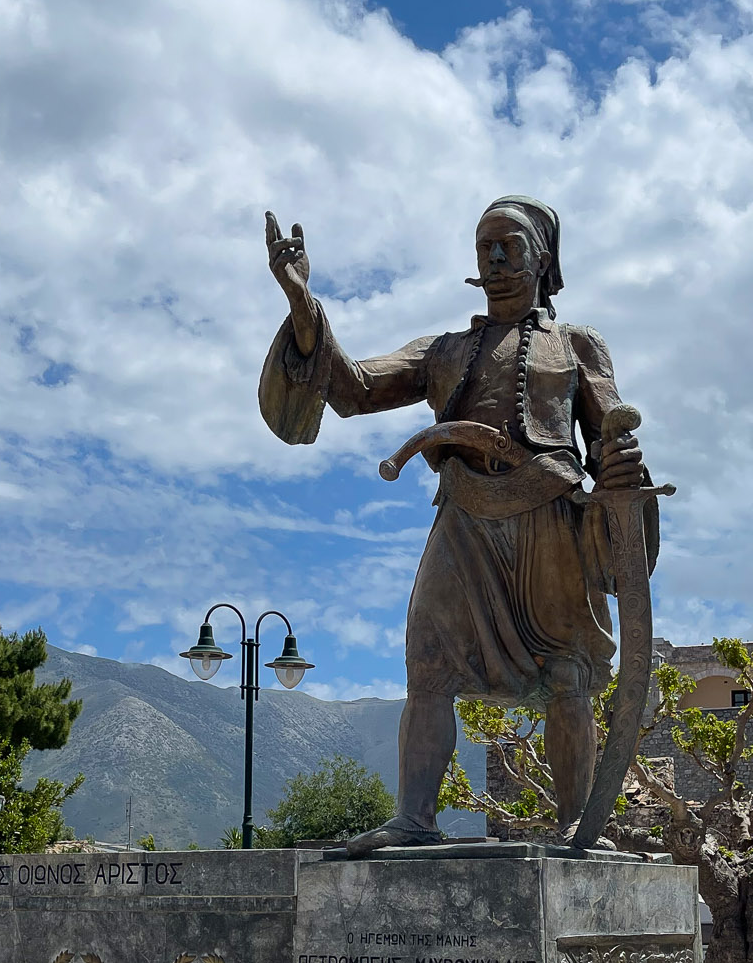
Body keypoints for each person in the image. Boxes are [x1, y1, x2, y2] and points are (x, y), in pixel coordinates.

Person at [259, 196, 654, 854]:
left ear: (543, 259)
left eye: (509, 245)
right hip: (463, 518)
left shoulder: (576, 344)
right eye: (484, 248)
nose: (495, 258)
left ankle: (575, 826)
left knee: (565, 676)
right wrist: (302, 300)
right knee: (428, 665)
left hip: (548, 520)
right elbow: (354, 387)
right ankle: (413, 819)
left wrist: (621, 462)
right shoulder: (442, 351)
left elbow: (609, 426)